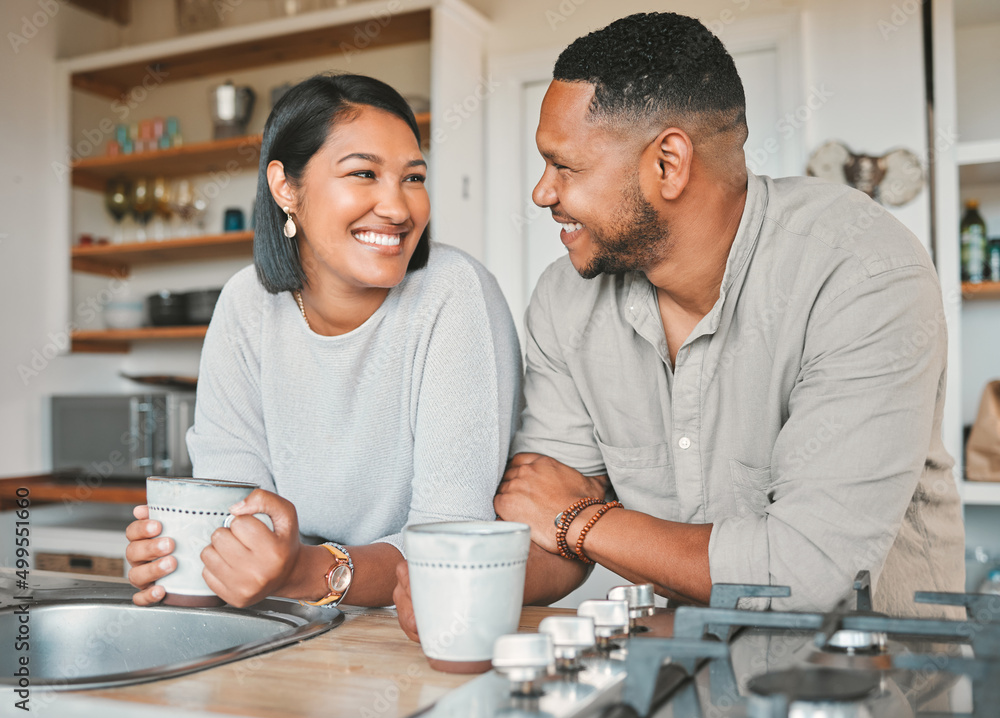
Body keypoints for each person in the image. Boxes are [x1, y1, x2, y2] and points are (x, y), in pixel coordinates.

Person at [486, 12, 964, 618]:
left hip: (868, 690)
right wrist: (457, 583)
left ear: (668, 164)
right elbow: (542, 524)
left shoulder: (862, 272)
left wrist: (581, 520)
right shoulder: (565, 297)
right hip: (673, 682)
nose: (542, 193)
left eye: (566, 167)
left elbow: (802, 573)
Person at [125, 73, 524, 610]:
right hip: (289, 624)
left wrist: (306, 571)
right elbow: (235, 512)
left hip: (423, 627)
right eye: (363, 173)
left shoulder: (454, 293)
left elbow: (450, 543)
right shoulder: (245, 303)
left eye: (413, 178)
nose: (399, 208)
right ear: (286, 187)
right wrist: (187, 560)